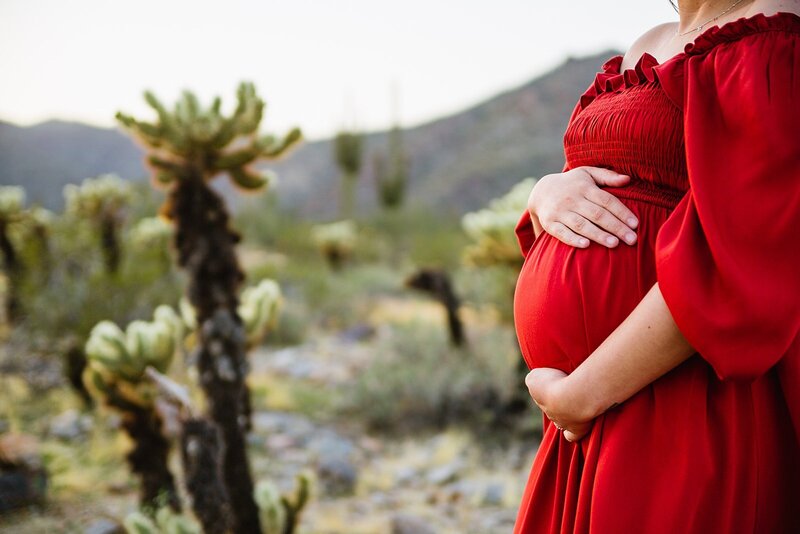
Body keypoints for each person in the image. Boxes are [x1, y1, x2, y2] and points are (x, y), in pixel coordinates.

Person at [511, 0, 800, 532]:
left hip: (685, 400)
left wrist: (582, 394)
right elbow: (602, 188)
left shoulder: (776, 36)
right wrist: (545, 192)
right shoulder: (651, 41)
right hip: (590, 415)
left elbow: (733, 251)